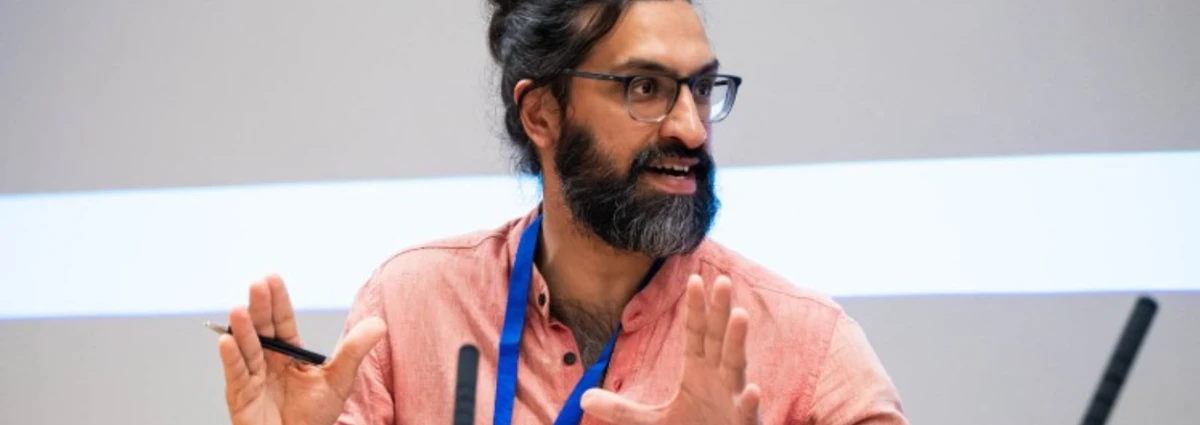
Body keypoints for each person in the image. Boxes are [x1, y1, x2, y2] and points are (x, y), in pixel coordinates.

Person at [215, 0, 908, 424]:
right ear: (541, 113)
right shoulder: (409, 308)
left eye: (700, 88)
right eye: (646, 87)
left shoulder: (809, 349)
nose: (692, 128)